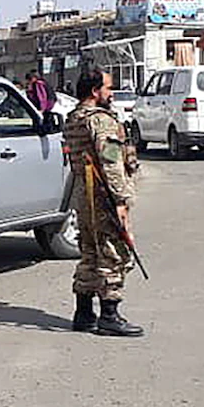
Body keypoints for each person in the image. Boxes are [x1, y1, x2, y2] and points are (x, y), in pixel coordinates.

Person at [64, 69, 143, 337]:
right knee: (114, 253)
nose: (112, 93)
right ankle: (109, 315)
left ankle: (84, 313)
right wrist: (120, 200)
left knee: (89, 252)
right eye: (108, 87)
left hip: (84, 196)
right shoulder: (100, 120)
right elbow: (110, 162)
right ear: (95, 91)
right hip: (103, 197)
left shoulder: (74, 118)